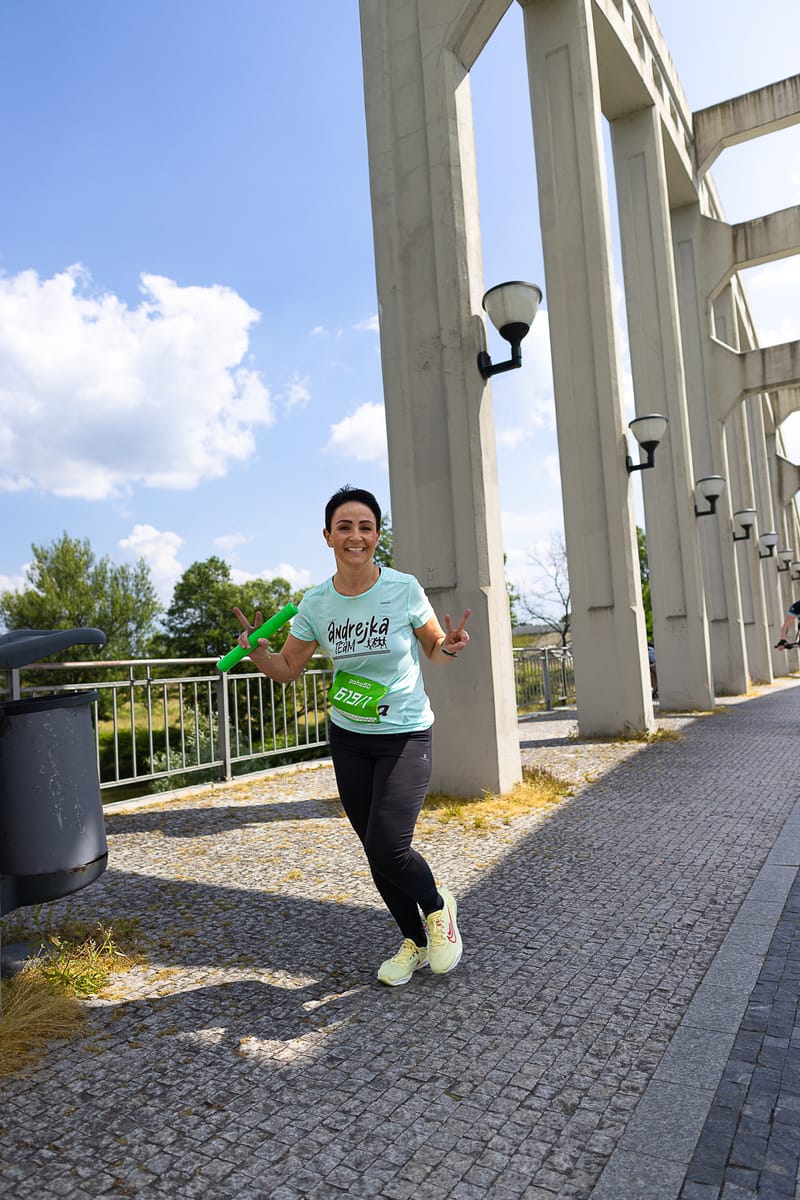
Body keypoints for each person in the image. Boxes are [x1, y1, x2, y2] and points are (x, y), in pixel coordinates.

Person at [233, 485, 471, 987]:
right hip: (349, 736)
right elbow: (288, 669)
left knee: (390, 846)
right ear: (327, 536)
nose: (355, 536)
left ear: (377, 536)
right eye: (345, 527)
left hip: (405, 732)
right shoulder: (316, 603)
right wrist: (258, 653)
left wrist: (449, 646)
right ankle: (416, 941)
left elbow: (433, 650)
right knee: (373, 849)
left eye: (365, 527)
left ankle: (437, 907)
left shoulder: (403, 588)